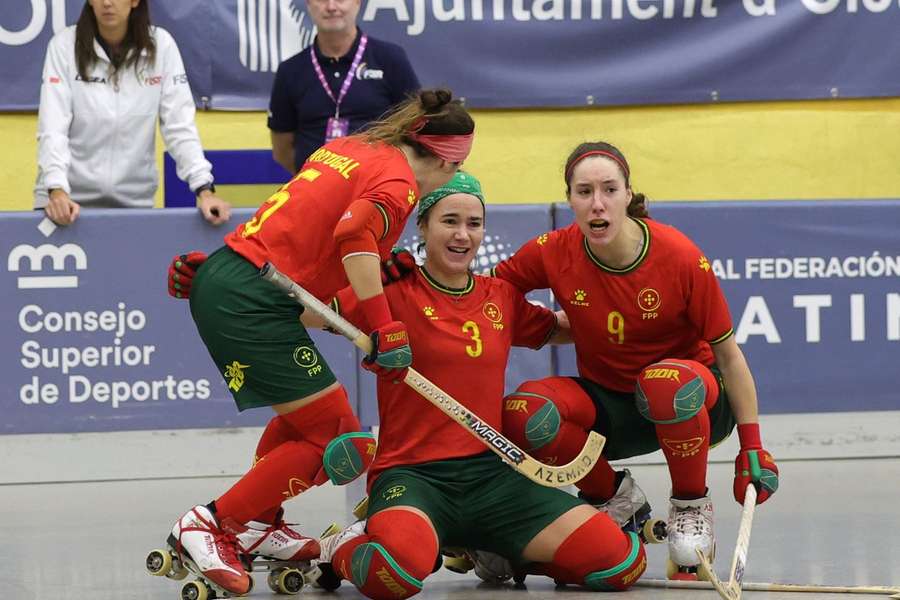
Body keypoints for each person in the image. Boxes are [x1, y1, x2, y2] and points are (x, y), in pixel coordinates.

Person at [161, 89, 474, 596]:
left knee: (307, 421)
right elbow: (354, 235)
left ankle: (261, 523)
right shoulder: (398, 182)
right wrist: (384, 325)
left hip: (246, 280)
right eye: (456, 169)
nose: (453, 179)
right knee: (336, 437)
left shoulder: (355, 148)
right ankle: (213, 524)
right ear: (444, 158)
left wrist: (219, 277)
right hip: (251, 294)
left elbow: (306, 267)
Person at [303, 171, 647, 599]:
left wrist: (642, 323)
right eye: (449, 221)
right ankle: (339, 545)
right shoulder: (389, 291)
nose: (463, 234)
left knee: (621, 562)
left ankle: (502, 550)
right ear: (423, 226)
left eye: (473, 223)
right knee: (395, 575)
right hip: (414, 477)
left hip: (494, 478)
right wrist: (222, 287)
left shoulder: (499, 295)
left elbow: (564, 328)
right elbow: (305, 313)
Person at [491, 141, 780, 580]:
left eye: (609, 189)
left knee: (663, 383)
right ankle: (614, 499)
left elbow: (730, 357)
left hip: (694, 403)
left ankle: (689, 507)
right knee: (524, 412)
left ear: (629, 195)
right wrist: (544, 327)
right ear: (570, 199)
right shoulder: (554, 249)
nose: (597, 203)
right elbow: (487, 296)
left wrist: (753, 446)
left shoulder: (679, 256)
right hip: (613, 409)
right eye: (584, 191)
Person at [34, 0, 230, 226]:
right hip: (64, 204)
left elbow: (180, 127)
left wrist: (204, 189)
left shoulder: (162, 46)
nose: (107, 3)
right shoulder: (63, 46)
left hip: (132, 205)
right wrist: (56, 190)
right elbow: (53, 127)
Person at [268, 0, 420, 174]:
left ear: (357, 3)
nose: (331, 7)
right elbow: (282, 148)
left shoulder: (390, 58)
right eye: (322, 0)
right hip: (314, 188)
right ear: (309, 4)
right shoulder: (290, 70)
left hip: (376, 186)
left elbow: (415, 126)